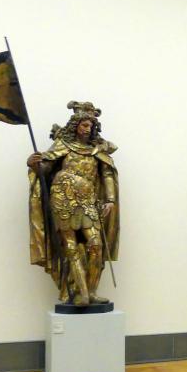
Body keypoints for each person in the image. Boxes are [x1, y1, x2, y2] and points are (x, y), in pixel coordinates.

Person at [26, 101, 119, 306]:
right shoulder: (63, 146)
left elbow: (107, 174)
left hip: (88, 199)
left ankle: (92, 291)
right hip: (63, 196)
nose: (87, 129)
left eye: (91, 126)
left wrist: (110, 200)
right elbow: (45, 169)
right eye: (84, 125)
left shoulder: (97, 150)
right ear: (75, 126)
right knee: (70, 246)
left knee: (96, 245)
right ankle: (82, 293)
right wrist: (34, 164)